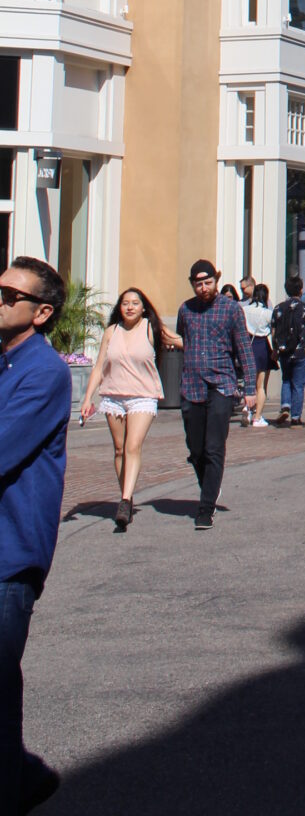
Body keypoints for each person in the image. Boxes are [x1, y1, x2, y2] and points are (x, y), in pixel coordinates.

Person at [1, 256, 70, 813]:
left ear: (41, 313)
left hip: (9, 555)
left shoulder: (44, 372)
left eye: (9, 296)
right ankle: (25, 778)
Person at [78, 286, 180, 526]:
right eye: (125, 303)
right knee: (119, 449)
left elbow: (185, 343)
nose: (130, 307)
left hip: (142, 396)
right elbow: (99, 366)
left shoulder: (152, 328)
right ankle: (127, 492)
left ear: (143, 307)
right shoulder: (111, 331)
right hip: (113, 395)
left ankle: (124, 501)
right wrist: (87, 398)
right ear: (119, 307)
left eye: (135, 303)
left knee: (133, 446)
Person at [175, 259, 257, 528]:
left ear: (216, 281)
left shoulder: (231, 309)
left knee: (213, 447)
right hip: (192, 385)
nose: (203, 288)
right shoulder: (185, 310)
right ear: (192, 284)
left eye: (208, 282)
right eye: (198, 284)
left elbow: (244, 349)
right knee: (196, 449)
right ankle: (210, 486)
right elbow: (183, 339)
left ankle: (205, 507)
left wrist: (251, 389)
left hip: (221, 384)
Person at [270, 274, 305, 427]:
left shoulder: (278, 308)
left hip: (284, 351)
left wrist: (275, 349)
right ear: (300, 290)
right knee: (298, 384)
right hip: (301, 352)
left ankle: (285, 405)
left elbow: (274, 332)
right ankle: (295, 417)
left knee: (286, 379)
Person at [241, 283, 272, 425]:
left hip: (248, 345)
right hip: (262, 345)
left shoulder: (244, 310)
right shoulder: (267, 313)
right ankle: (257, 417)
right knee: (261, 386)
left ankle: (247, 409)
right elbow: (273, 330)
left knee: (248, 382)